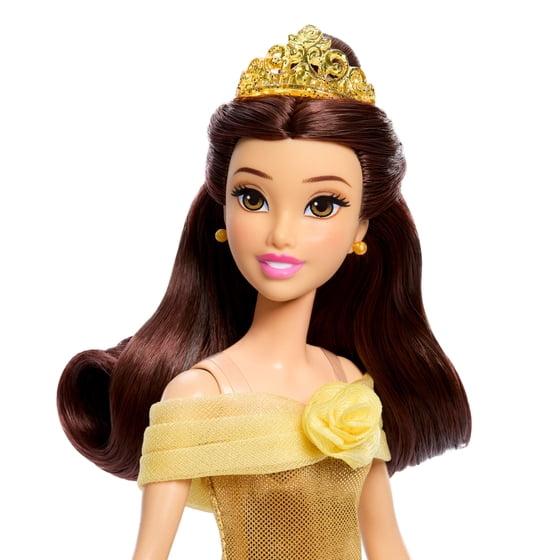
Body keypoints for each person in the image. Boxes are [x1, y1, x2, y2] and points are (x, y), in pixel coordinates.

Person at [57, 24, 471, 560]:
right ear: (222, 211)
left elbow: (387, 544)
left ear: (361, 230)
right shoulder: (198, 395)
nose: (281, 234)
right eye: (252, 197)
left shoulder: (348, 384)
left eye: (322, 205)